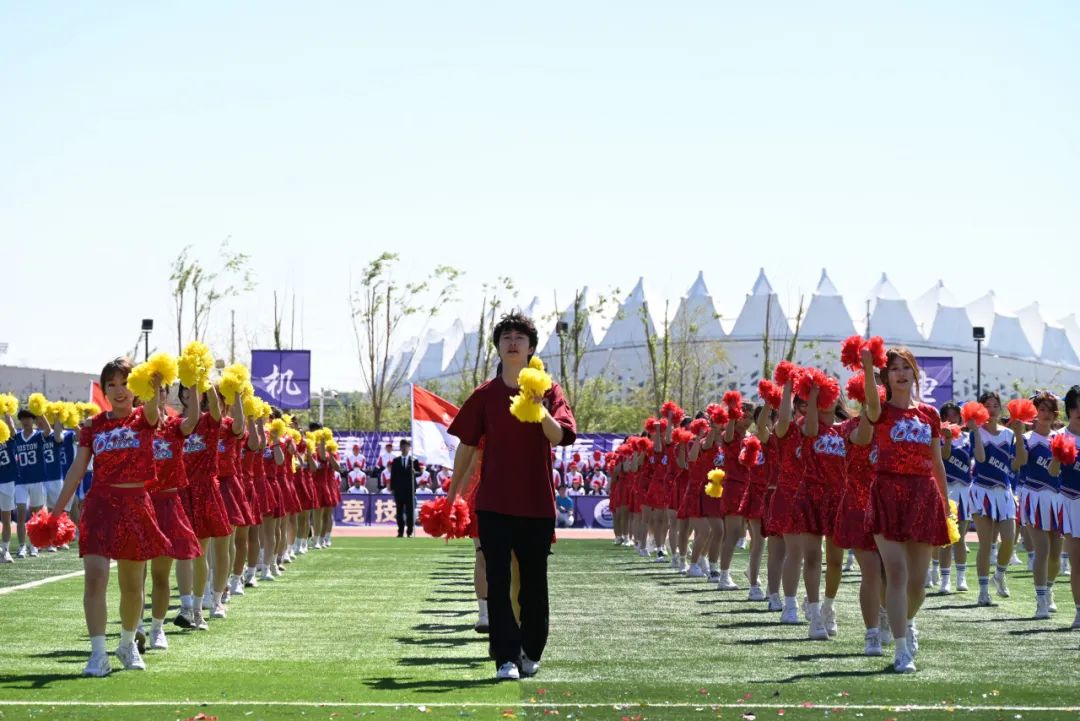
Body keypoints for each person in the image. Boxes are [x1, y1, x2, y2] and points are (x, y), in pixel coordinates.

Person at [447, 311, 576, 681]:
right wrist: (454, 496)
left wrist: (538, 409)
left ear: (531, 347)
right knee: (499, 582)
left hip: (537, 504)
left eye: (520, 337)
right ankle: (505, 657)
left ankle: (531, 650)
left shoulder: (550, 391)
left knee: (534, 584)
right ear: (499, 347)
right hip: (493, 504)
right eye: (507, 337)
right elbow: (467, 447)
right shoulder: (485, 396)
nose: (513, 342)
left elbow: (561, 436)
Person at [51, 357, 170, 676]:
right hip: (100, 506)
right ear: (104, 390)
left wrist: (156, 381)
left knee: (132, 586)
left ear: (136, 387)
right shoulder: (93, 426)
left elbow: (153, 408)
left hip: (135, 505)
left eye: (125, 383)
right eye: (111, 384)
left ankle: (127, 643)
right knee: (95, 577)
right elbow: (77, 469)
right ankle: (97, 654)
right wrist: (56, 512)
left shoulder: (144, 418)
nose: (118, 390)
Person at [853, 346, 950, 673]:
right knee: (895, 572)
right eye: (894, 368)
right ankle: (900, 649)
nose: (901, 373)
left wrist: (946, 505)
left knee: (918, 586)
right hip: (887, 493)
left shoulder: (930, 414)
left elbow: (936, 462)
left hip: (924, 494)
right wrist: (868, 366)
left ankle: (906, 621)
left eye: (905, 367)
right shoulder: (880, 411)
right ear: (886, 377)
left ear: (915, 372)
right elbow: (871, 401)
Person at [968, 391, 1024, 606]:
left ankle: (999, 575)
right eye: (987, 406)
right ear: (980, 409)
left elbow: (1016, 464)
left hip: (1004, 491)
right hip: (982, 490)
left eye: (995, 406)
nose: (991, 410)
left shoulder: (1009, 434)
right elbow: (980, 459)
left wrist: (1019, 435)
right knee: (986, 544)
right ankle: (983, 592)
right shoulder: (977, 432)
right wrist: (975, 431)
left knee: (1009, 539)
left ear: (1000, 409)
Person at [1016, 392, 1063, 618]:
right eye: (1041, 409)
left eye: (1049, 410)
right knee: (1042, 550)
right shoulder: (1026, 438)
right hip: (1033, 496)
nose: (1045, 414)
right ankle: (1041, 600)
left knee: (1056, 555)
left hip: (1058, 499)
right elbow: (1020, 462)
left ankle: (1049, 589)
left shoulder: (1061, 438)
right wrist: (1017, 434)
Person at [1049, 385, 1080, 630]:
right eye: (1075, 406)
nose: (1079, 411)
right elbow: (1052, 472)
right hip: (1071, 503)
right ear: (1068, 409)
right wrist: (1058, 457)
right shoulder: (1060, 436)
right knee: (1077, 562)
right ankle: (1079, 612)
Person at [938, 401, 972, 593]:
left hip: (964, 491)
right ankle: (945, 580)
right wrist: (949, 439)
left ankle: (961, 578)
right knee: (946, 538)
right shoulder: (939, 438)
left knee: (960, 538)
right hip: (947, 490)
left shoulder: (968, 438)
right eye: (947, 416)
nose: (951, 419)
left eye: (955, 415)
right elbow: (944, 457)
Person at [12, 409, 51, 557]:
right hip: (21, 481)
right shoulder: (17, 436)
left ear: (33, 420)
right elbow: (10, 428)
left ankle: (34, 544)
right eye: (23, 418)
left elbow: (48, 430)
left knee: (36, 514)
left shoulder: (38, 435)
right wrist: (7, 413)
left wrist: (40, 412)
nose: (25, 421)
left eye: (28, 418)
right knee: (21, 513)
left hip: (37, 480)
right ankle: (22, 546)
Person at [389, 439, 421, 537]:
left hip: (409, 490)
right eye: (402, 446)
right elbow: (393, 475)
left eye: (406, 446)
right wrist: (392, 488)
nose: (404, 448)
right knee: (399, 512)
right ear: (400, 448)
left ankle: (409, 531)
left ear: (409, 448)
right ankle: (400, 531)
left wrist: (415, 472)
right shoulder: (396, 461)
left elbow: (419, 472)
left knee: (409, 512)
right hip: (399, 490)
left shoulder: (413, 460)